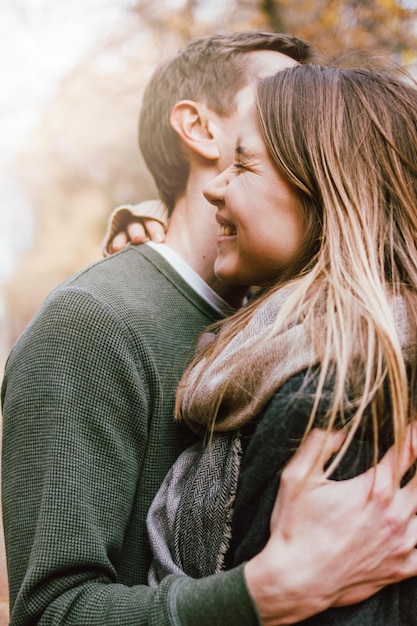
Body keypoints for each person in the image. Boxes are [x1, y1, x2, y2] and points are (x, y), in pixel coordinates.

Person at [2, 31, 417, 626]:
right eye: (276, 93)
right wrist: (256, 596)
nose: (304, 108)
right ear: (198, 128)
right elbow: (51, 613)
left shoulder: (294, 325)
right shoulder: (92, 323)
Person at [142, 62, 417, 624]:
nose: (214, 187)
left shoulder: (335, 397)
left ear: (328, 186)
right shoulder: (311, 348)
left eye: (242, 164)